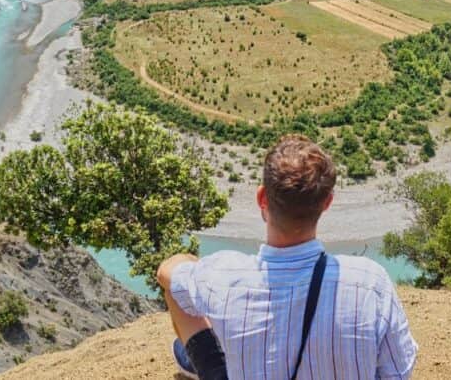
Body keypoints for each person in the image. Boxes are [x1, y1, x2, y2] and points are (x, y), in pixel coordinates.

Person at [157, 134, 418, 380]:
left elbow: (166, 272)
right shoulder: (370, 282)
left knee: (178, 292)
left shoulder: (223, 277)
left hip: (218, 296)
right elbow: (399, 371)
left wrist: (193, 265)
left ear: (262, 198)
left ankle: (200, 365)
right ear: (327, 202)